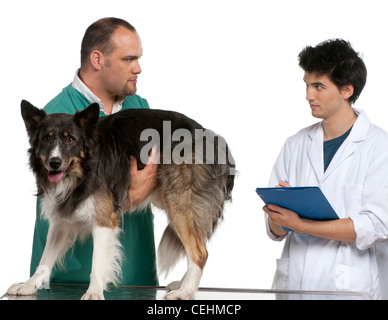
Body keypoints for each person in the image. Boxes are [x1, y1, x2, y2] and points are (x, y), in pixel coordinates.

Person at [30, 17, 159, 286]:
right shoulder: (55, 117)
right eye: (128, 59)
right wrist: (131, 195)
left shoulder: (141, 107)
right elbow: (61, 210)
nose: (138, 68)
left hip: (138, 277)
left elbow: (157, 180)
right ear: (98, 60)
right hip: (73, 282)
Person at [263, 39, 388, 299]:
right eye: (307, 85)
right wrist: (279, 218)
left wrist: (301, 224)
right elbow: (275, 231)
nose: (309, 95)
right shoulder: (295, 144)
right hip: (295, 285)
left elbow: (376, 225)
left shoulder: (379, 147)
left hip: (349, 289)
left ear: (346, 90)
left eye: (319, 86)